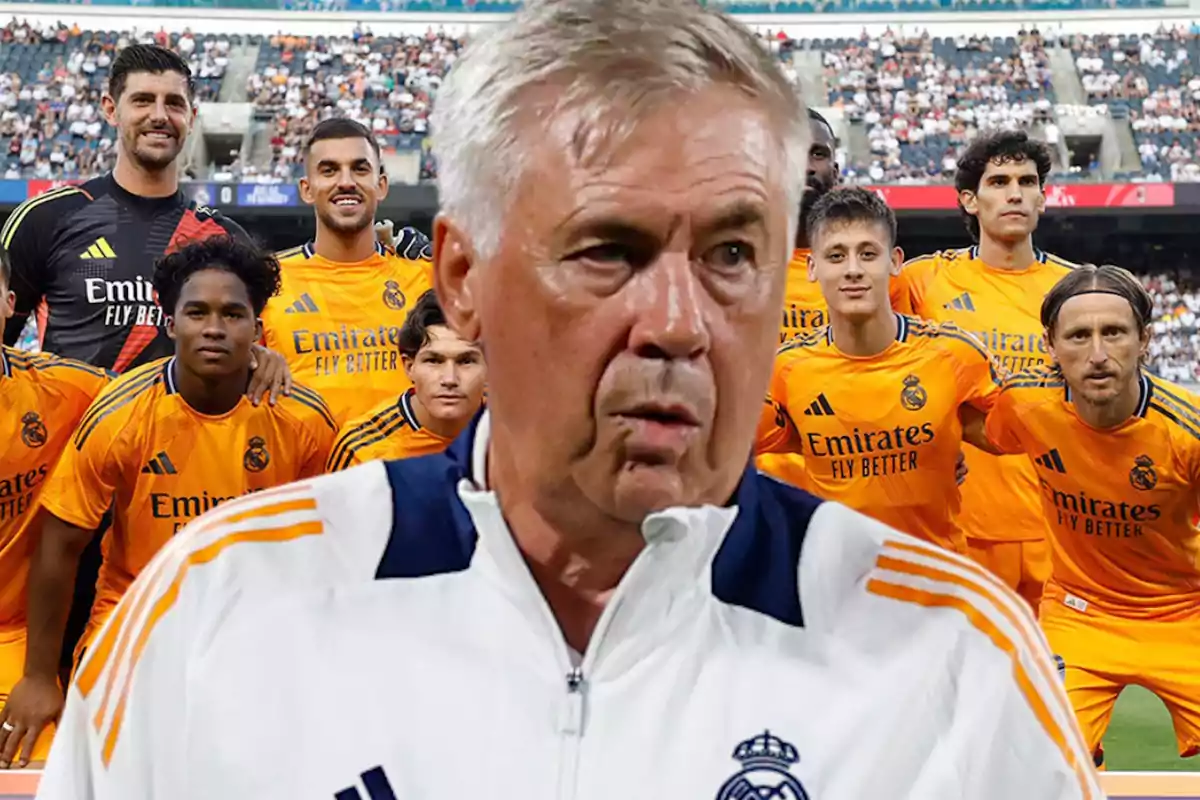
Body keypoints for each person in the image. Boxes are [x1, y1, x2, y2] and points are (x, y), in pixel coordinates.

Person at [38, 3, 1099, 797]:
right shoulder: (223, 610)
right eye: (607, 251)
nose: (679, 320)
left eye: (734, 251)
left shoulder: (954, 663)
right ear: (461, 278)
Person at [0, 43, 293, 695]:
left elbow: (253, 350)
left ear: (190, 116)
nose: (158, 115)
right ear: (110, 108)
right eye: (142, 100)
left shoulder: (222, 239)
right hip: (66, 496)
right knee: (52, 685)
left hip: (169, 499)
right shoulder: (52, 217)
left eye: (173, 103)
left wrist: (266, 357)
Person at [0, 237, 337, 769]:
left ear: (257, 327)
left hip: (254, 624)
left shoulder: (304, 421)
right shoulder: (122, 414)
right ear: (170, 321)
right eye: (196, 311)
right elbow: (61, 547)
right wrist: (42, 676)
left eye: (233, 314)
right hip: (134, 619)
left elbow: (329, 550)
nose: (214, 327)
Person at [984, 264, 1200, 767]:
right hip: (1080, 615)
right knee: (1036, 761)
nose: (1098, 354)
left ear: (1144, 340)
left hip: (1183, 615)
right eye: (1079, 336)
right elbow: (978, 434)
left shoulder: (1188, 433)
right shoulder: (1024, 406)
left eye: (1115, 333)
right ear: (1050, 345)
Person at [757, 187, 1001, 554]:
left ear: (895, 262)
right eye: (836, 256)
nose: (853, 270)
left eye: (868, 254)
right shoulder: (786, 370)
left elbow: (1026, 433)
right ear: (812, 268)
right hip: (838, 587)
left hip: (936, 589)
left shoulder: (953, 353)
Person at [899, 130, 1077, 611]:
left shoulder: (1075, 291)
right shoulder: (923, 281)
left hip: (1056, 533)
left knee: (1050, 684)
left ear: (1043, 197)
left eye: (1027, 181)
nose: (1015, 192)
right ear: (969, 200)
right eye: (998, 181)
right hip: (959, 531)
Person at [0, 244, 110, 768]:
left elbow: (163, 391)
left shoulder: (61, 389)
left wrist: (255, 358)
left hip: (12, 640)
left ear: (9, 304)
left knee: (36, 771)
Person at [759, 110, 911, 487]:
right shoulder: (734, 268)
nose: (806, 167)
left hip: (862, 482)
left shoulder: (879, 276)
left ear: (836, 171)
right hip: (762, 485)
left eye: (817, 154)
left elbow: (902, 372)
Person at [263, 118, 434, 425]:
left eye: (360, 168)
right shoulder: (265, 282)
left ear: (381, 185)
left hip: (401, 470)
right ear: (306, 188)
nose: (346, 182)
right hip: (307, 472)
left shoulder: (425, 278)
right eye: (329, 170)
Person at [327, 289, 485, 471]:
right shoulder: (364, 451)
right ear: (410, 367)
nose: (449, 379)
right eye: (433, 361)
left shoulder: (517, 432)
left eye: (466, 361)